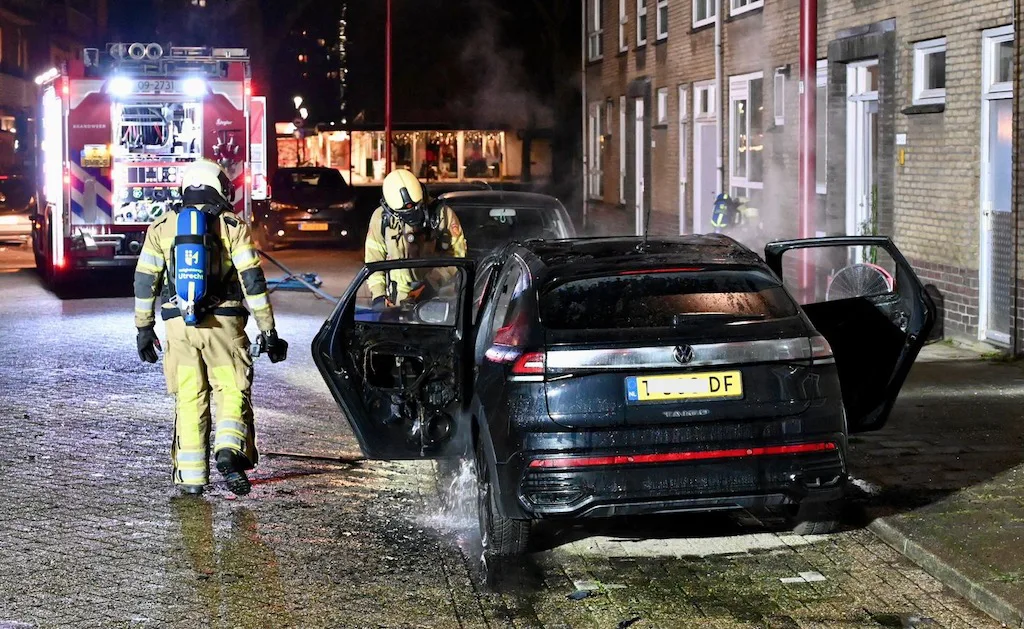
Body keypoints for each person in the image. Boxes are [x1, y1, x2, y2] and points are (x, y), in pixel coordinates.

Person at [134, 158, 288, 497]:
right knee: (231, 390)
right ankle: (229, 451)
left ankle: (191, 479)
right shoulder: (233, 226)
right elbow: (253, 281)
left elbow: (145, 281)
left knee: (189, 398)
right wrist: (268, 330)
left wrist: (144, 328)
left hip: (178, 329)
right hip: (224, 326)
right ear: (220, 188)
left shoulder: (161, 227)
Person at [364, 168, 467, 308]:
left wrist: (431, 284)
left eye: (417, 208)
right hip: (397, 301)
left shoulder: (442, 215)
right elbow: (373, 261)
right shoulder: (381, 219)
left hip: (437, 298)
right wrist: (378, 296)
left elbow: (458, 255)